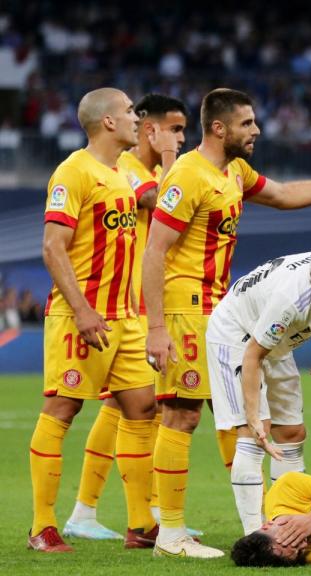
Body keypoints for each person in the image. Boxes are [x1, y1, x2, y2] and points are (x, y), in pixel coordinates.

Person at [142, 87, 311, 558]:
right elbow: (155, 250)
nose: (256, 130)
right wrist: (157, 328)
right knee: (181, 414)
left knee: (245, 426)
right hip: (185, 305)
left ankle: (266, 520)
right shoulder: (188, 175)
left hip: (221, 304)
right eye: (247, 124)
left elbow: (282, 194)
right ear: (219, 128)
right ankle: (170, 533)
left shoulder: (233, 171)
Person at [29, 88, 156, 552]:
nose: (136, 119)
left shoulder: (123, 171)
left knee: (143, 407)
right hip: (80, 315)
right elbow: (52, 246)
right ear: (106, 122)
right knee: (64, 408)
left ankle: (142, 525)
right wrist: (82, 309)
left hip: (126, 318)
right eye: (128, 112)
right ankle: (42, 526)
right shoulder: (73, 171)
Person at [63, 93, 189, 542]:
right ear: (150, 130)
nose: (180, 138)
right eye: (174, 130)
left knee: (132, 407)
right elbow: (166, 202)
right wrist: (175, 160)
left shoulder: (140, 170)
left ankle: (128, 512)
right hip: (121, 304)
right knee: (115, 406)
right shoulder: (129, 170)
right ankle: (90, 510)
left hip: (135, 303)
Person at [208, 250, 311, 535]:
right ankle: (257, 534)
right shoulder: (289, 301)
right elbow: (253, 355)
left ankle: (287, 523)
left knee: (291, 434)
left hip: (275, 339)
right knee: (254, 435)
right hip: (237, 335)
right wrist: (252, 416)